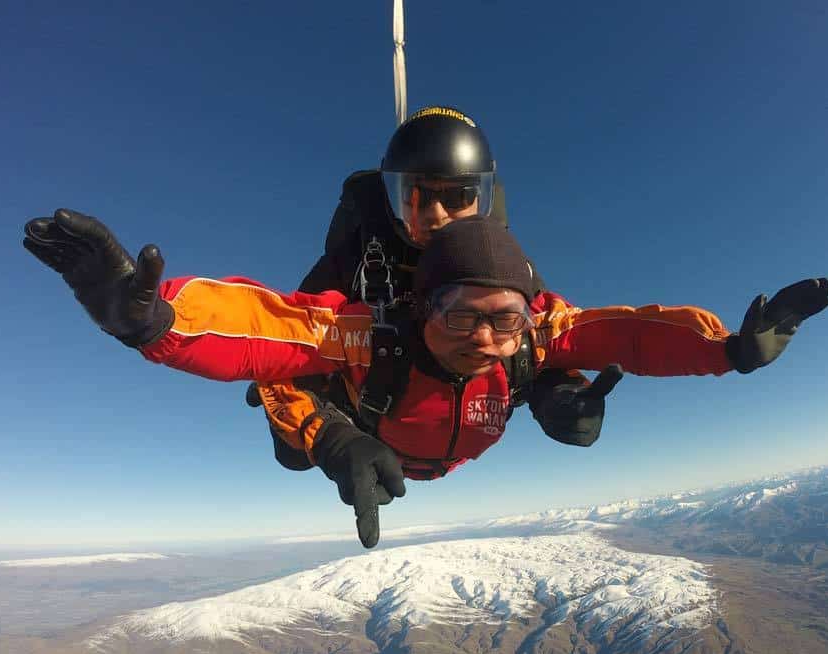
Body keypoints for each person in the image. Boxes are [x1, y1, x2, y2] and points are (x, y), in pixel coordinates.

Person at [22, 212, 828, 548]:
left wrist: (728, 350)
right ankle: (314, 441)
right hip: (367, 439)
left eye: (504, 319)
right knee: (293, 418)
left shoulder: (529, 340)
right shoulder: (366, 335)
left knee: (554, 371)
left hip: (444, 450)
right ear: (419, 306)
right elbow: (264, 328)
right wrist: (153, 321)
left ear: (528, 316)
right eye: (457, 314)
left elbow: (621, 331)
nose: (483, 337)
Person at [254, 106, 619, 480]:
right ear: (391, 198)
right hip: (369, 429)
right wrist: (330, 436)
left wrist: (560, 393)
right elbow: (286, 346)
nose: (436, 215)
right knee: (292, 454)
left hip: (467, 431)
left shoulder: (501, 266)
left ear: (483, 197)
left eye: (458, 196)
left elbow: (537, 337)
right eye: (417, 196)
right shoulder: (354, 264)